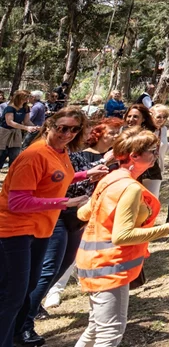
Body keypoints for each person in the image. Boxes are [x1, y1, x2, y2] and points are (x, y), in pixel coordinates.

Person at [0, 107, 98, 347]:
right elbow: (17, 201)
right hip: (14, 231)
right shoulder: (34, 155)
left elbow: (56, 177)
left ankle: (15, 335)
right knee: (12, 295)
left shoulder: (60, 152)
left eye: (74, 130)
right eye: (62, 128)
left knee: (27, 289)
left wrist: (86, 174)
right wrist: (64, 202)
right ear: (49, 126)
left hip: (40, 230)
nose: (67, 134)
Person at [74, 127, 169, 347]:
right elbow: (122, 235)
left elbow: (83, 213)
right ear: (134, 156)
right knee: (109, 334)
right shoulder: (130, 188)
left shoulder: (110, 179)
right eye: (152, 150)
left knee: (95, 328)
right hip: (110, 267)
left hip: (92, 262)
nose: (156, 154)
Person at [21, 119, 120, 341]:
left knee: (59, 267)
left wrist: (92, 175)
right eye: (66, 129)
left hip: (75, 215)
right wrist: (98, 166)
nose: (72, 134)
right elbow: (60, 184)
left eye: (76, 130)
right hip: (56, 213)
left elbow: (75, 179)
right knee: (48, 269)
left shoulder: (68, 152)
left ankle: (27, 313)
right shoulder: (56, 153)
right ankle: (24, 323)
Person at [123, 104, 162, 197]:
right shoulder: (122, 133)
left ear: (143, 119)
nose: (131, 119)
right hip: (129, 172)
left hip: (149, 174)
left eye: (135, 117)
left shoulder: (148, 135)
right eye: (129, 116)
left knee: (149, 202)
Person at [0, 90, 39, 170]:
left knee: (15, 155)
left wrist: (36, 127)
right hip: (4, 134)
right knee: (1, 155)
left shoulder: (25, 108)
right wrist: (26, 128)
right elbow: (10, 122)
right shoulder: (9, 108)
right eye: (26, 97)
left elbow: (27, 121)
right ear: (19, 97)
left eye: (28, 97)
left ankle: (12, 173)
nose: (28, 99)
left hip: (16, 134)